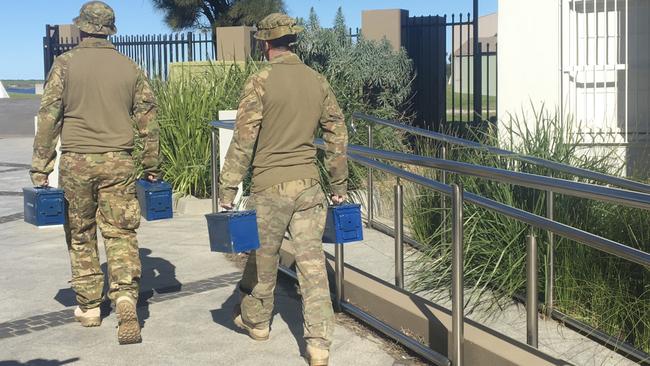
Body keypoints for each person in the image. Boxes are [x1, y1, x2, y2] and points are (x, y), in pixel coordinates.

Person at [219, 13, 348, 366]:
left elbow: (244, 140)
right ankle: (319, 344)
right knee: (312, 266)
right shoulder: (317, 81)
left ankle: (258, 323)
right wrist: (338, 183)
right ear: (293, 41)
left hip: (270, 187)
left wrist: (227, 188)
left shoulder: (259, 81)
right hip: (309, 187)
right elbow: (337, 131)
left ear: (264, 43)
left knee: (264, 259)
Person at [30, 1, 159, 345]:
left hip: (76, 162)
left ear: (81, 28)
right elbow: (148, 118)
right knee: (120, 232)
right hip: (119, 161)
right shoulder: (130, 67)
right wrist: (151, 165)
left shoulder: (65, 64)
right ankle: (125, 297)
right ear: (110, 30)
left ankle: (89, 307)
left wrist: (41, 168)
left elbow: (49, 117)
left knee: (81, 233)